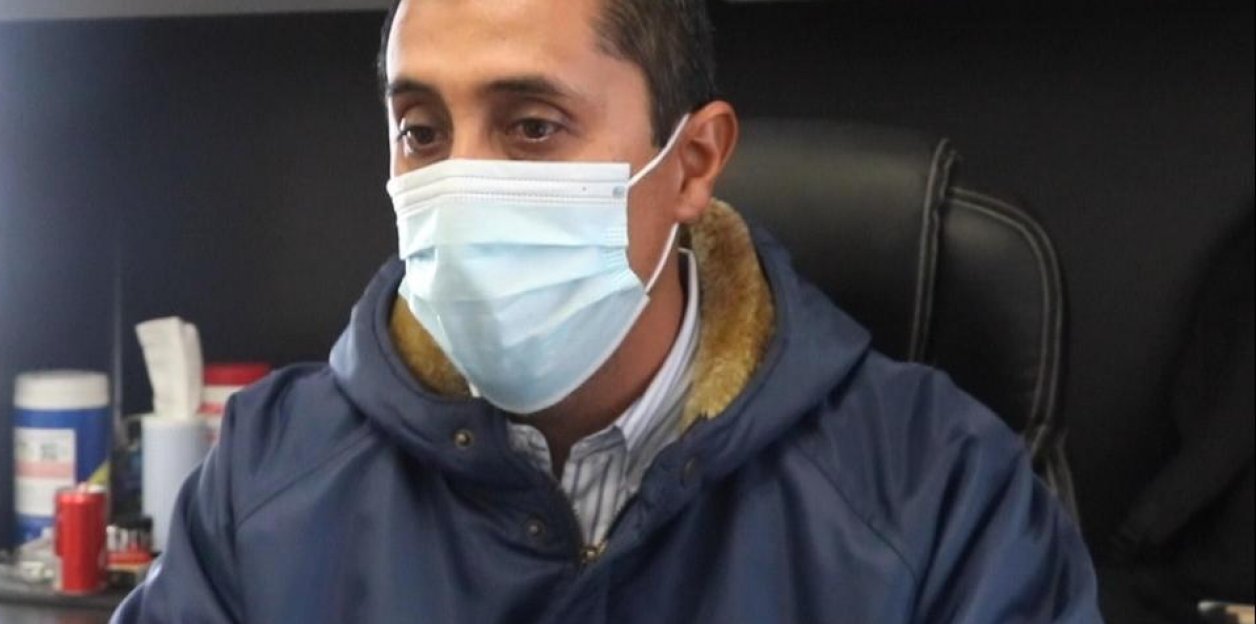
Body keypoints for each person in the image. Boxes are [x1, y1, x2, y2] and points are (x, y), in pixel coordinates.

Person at [113, 0, 1101, 621]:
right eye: (421, 131)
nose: (462, 181)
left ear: (693, 163)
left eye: (532, 126)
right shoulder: (268, 479)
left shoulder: (939, 492)